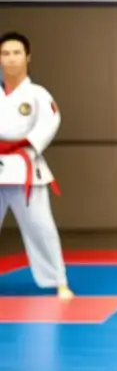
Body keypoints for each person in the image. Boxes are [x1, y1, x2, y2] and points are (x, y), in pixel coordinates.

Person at [0, 32, 72, 299]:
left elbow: (50, 122)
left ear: (27, 57)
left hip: (25, 166)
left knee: (42, 227)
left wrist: (24, 143)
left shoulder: (38, 94)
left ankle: (59, 281)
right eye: (5, 53)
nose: (11, 59)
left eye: (16, 53)